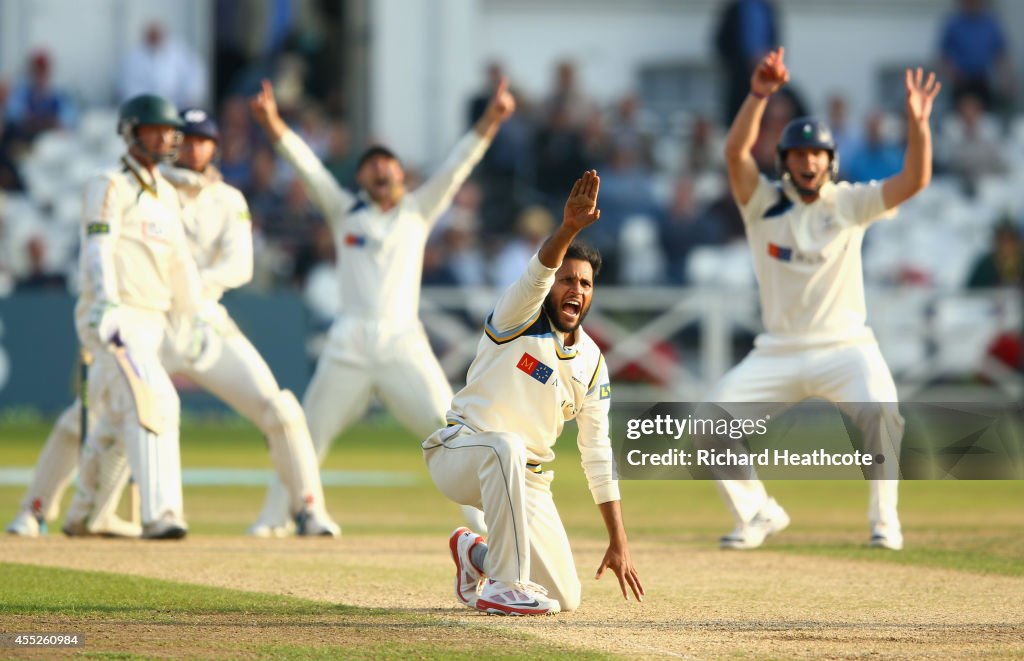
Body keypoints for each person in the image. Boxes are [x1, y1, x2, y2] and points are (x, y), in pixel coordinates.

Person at [7, 109, 341, 539]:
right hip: (146, 323)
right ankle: (35, 510)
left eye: (203, 140)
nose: (192, 147)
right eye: (185, 138)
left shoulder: (227, 199)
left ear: (215, 147)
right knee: (89, 417)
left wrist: (190, 292)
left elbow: (238, 267)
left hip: (202, 324)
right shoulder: (147, 188)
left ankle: (309, 510)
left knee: (279, 407)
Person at [247, 76, 516, 535]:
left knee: (449, 426)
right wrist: (273, 125)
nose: (380, 172)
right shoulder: (343, 211)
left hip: (402, 343)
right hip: (348, 342)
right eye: (371, 166)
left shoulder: (418, 210)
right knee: (308, 433)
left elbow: (457, 166)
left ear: (399, 174)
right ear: (361, 178)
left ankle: (485, 524)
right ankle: (277, 517)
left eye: (387, 165)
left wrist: (490, 121)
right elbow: (308, 168)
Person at [707, 47, 941, 551]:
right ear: (785, 162)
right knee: (709, 424)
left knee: (882, 413)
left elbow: (914, 180)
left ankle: (885, 523)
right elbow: (733, 154)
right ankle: (758, 514)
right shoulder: (762, 204)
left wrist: (919, 126)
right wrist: (758, 94)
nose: (808, 162)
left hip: (846, 345)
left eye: (816, 155)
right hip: (779, 349)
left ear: (830, 161)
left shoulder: (850, 202)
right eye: (797, 155)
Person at [424, 170, 644, 615]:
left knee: (565, 598)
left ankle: (476, 556)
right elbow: (539, 271)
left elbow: (597, 453)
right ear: (549, 289)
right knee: (505, 445)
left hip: (528, 481)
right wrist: (568, 228)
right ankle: (503, 586)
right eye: (567, 280)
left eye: (585, 284)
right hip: (461, 452)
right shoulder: (517, 316)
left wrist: (618, 538)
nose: (576, 290)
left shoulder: (592, 361)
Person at [75, 93, 202, 539]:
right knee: (157, 401)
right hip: (115, 314)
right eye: (154, 129)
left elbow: (180, 264)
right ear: (131, 132)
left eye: (170, 130)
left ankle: (86, 513)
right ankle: (161, 513)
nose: (165, 137)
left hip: (152, 321)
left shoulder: (166, 192)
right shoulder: (108, 183)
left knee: (112, 417)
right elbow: (98, 246)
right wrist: (106, 303)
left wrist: (196, 314)